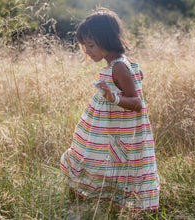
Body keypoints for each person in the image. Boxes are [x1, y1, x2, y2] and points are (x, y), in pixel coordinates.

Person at [60, 7, 159, 211]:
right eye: (85, 45)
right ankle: (97, 199)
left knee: (111, 162)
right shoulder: (116, 64)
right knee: (102, 159)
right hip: (112, 129)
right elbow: (136, 78)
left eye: (91, 45)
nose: (87, 51)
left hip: (121, 132)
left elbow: (137, 102)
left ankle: (110, 202)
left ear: (105, 40)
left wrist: (111, 96)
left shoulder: (119, 66)